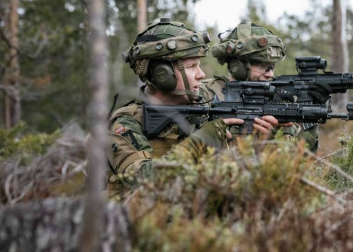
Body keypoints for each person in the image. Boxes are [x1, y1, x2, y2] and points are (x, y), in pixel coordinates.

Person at [106, 18, 278, 190]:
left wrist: (256, 142)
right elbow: (143, 180)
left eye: (199, 65)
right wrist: (203, 139)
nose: (201, 74)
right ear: (162, 74)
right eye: (191, 66)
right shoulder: (126, 123)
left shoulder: (205, 107)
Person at [203, 20, 320, 151]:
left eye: (272, 67)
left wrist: (311, 114)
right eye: (262, 66)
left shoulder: (280, 102)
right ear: (237, 66)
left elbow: (304, 158)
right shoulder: (207, 95)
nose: (270, 74)